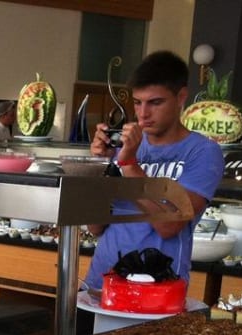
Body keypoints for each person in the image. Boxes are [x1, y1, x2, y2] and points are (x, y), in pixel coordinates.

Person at [85, 50, 224, 290]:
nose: (143, 114)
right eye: (137, 102)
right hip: (101, 282)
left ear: (181, 97)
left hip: (158, 289)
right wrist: (100, 167)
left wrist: (129, 165)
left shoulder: (203, 152)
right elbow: (95, 227)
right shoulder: (126, 146)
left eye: (155, 102)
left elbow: (169, 226)